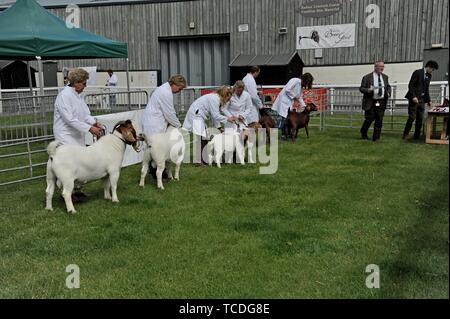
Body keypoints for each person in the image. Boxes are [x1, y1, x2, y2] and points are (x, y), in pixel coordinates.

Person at [53, 68, 103, 199]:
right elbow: (69, 119)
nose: (85, 86)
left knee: (81, 164)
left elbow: (85, 114)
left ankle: (78, 191)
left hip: (77, 134)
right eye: (84, 83)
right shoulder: (64, 96)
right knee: (70, 166)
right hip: (66, 135)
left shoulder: (78, 96)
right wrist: (89, 129)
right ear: (76, 82)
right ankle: (66, 194)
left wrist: (94, 122)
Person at [182, 86, 236, 164]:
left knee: (204, 137)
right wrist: (228, 119)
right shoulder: (214, 99)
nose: (228, 101)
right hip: (196, 115)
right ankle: (199, 161)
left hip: (199, 115)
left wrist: (219, 127)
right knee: (202, 137)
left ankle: (203, 159)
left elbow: (214, 115)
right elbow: (215, 115)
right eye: (228, 98)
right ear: (225, 95)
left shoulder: (216, 98)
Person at [402, 60, 439, 140]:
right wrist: (413, 96)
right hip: (414, 99)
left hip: (422, 100)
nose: (432, 71)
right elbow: (411, 85)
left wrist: (429, 100)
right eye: (432, 69)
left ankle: (417, 135)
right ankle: (405, 134)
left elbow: (426, 89)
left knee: (420, 118)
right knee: (412, 117)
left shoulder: (429, 76)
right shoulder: (417, 72)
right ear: (428, 67)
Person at [272, 73, 314, 140]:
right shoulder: (295, 80)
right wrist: (294, 96)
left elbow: (299, 97)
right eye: (307, 83)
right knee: (284, 119)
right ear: (305, 80)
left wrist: (304, 106)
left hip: (289, 102)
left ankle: (287, 135)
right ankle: (283, 136)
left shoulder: (301, 87)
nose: (306, 85)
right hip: (284, 101)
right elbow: (287, 90)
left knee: (288, 119)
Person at [359, 60, 392, 141]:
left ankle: (376, 137)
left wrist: (388, 93)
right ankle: (363, 131)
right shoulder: (367, 77)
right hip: (371, 101)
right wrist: (368, 90)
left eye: (383, 67)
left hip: (381, 101)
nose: (382, 68)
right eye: (380, 66)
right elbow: (361, 88)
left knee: (379, 119)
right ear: (375, 67)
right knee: (369, 119)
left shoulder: (385, 77)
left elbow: (388, 86)